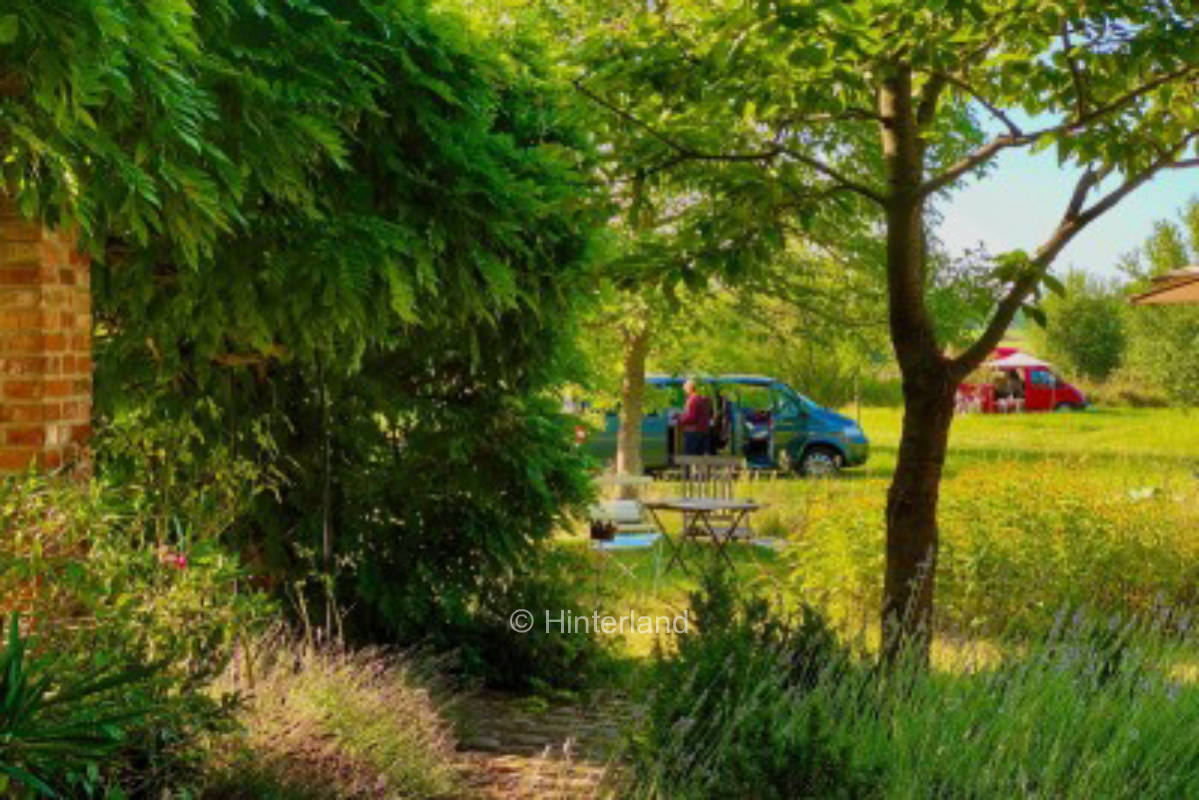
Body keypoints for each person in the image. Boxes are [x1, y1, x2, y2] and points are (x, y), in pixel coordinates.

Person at [678, 378, 712, 455]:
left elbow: (692, 417)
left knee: (689, 454)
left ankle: (688, 467)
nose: (685, 391)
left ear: (689, 389)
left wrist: (681, 419)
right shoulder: (702, 399)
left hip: (693, 431)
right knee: (699, 455)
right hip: (704, 430)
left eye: (685, 389)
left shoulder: (692, 400)